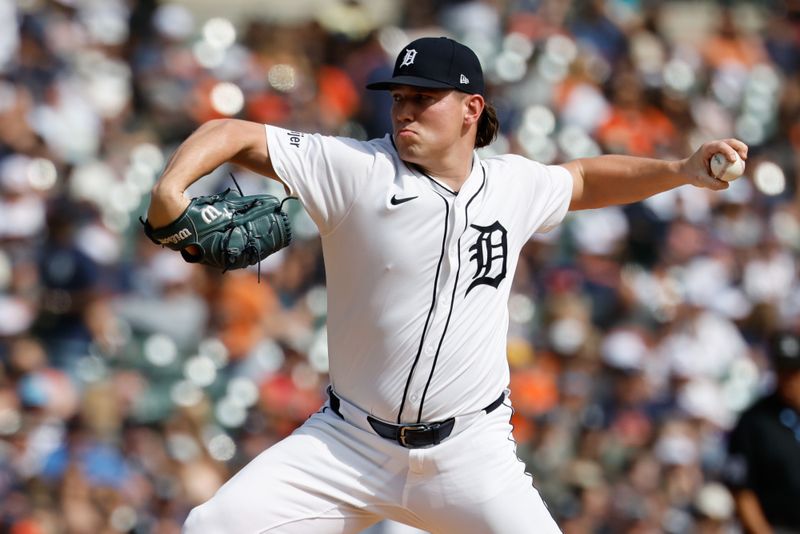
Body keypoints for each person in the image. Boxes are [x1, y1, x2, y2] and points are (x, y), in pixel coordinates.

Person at [146, 36, 747, 534]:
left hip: (470, 454)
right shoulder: (357, 169)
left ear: (471, 108)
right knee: (212, 527)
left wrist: (680, 171)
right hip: (347, 446)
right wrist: (169, 190)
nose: (404, 109)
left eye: (424, 98)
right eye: (398, 97)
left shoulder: (512, 184)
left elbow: (584, 180)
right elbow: (234, 132)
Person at [725, 331, 800, 534]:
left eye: (795, 371)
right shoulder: (754, 422)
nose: (790, 380)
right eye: (783, 371)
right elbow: (741, 488)